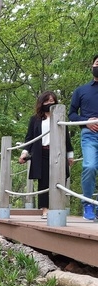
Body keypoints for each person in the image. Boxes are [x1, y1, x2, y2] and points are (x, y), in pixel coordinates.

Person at [18, 91, 74, 219]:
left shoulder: (60, 118)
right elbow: (29, 138)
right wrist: (24, 153)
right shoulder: (35, 120)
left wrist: (70, 155)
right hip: (41, 152)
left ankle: (58, 208)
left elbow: (67, 139)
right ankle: (45, 209)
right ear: (41, 102)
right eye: (47, 101)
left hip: (58, 153)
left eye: (52, 100)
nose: (49, 103)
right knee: (43, 181)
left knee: (61, 178)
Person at [69, 54, 98, 221]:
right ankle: (88, 203)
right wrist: (86, 121)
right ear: (92, 66)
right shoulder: (81, 91)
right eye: (97, 62)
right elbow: (72, 114)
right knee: (89, 166)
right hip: (89, 135)